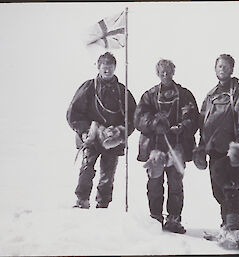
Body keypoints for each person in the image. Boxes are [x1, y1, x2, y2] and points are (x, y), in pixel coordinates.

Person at [193, 54, 239, 249]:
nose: (222, 69)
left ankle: (234, 233)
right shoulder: (212, 94)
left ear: (232, 69)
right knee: (218, 190)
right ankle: (225, 227)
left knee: (230, 189)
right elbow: (203, 121)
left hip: (230, 150)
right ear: (215, 69)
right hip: (214, 149)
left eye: (226, 66)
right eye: (219, 66)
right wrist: (201, 145)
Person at [134, 59, 199, 234]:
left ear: (173, 72)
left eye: (168, 71)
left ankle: (174, 219)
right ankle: (155, 218)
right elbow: (138, 118)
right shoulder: (149, 95)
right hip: (155, 148)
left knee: (175, 184)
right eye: (162, 71)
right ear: (157, 73)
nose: (165, 74)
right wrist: (154, 123)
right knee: (154, 184)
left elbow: (194, 118)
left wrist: (183, 126)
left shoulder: (185, 94)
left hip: (177, 147)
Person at [66, 52, 136, 209]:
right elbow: (73, 113)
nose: (107, 70)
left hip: (112, 139)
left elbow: (133, 116)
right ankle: (82, 199)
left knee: (108, 174)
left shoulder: (122, 91)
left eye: (110, 67)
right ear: (98, 67)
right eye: (104, 67)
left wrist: (121, 131)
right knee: (86, 167)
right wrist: (85, 129)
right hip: (91, 137)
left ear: (115, 68)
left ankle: (103, 204)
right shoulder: (89, 88)